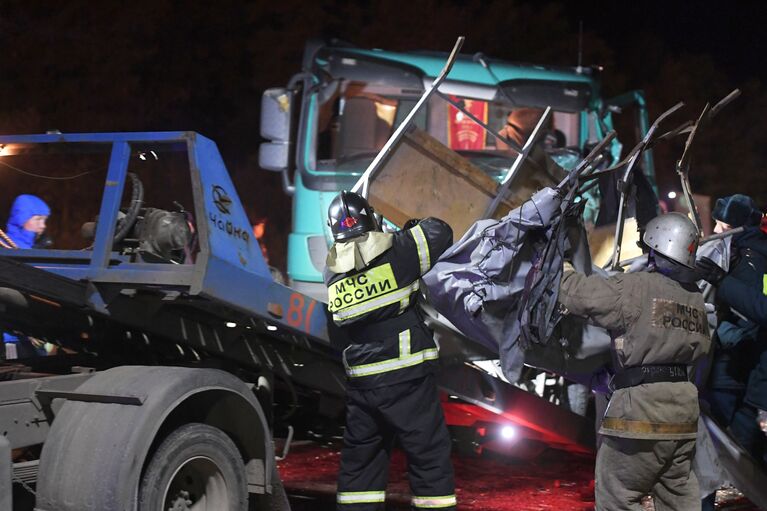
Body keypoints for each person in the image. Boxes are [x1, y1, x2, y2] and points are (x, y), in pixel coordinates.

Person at [558, 212, 711, 510]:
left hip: (640, 413)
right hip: (683, 415)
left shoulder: (635, 288)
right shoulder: (695, 300)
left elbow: (577, 295)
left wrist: (561, 265)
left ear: (654, 249)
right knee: (678, 497)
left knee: (617, 495)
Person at [323, 191, 456, 510]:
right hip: (407, 378)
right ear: (370, 219)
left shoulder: (332, 273)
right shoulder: (398, 251)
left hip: (363, 387)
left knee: (361, 469)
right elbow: (441, 231)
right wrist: (411, 228)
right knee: (429, 460)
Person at [696, 195, 767, 462]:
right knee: (739, 438)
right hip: (743, 365)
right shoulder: (742, 255)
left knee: (716, 440)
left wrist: (722, 281)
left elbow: (760, 309)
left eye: (723, 226)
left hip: (735, 364)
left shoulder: (753, 260)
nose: (715, 231)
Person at [1, 194, 51, 359]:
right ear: (22, 218)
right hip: (11, 339)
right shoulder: (7, 250)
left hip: (29, 338)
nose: (42, 226)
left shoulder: (35, 253)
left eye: (44, 220)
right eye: (37, 219)